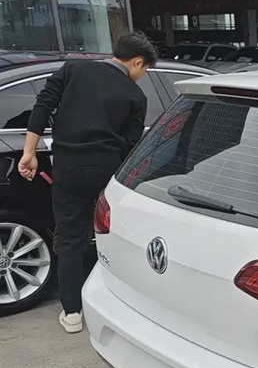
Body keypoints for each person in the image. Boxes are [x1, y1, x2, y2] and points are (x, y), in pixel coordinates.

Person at [17, 32, 158, 334]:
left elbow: (42, 106)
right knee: (118, 235)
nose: (143, 75)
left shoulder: (73, 69)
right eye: (145, 69)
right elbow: (131, 145)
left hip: (68, 169)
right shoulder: (136, 96)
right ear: (137, 62)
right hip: (108, 171)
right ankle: (123, 304)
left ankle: (72, 313)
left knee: (70, 239)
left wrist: (29, 153)